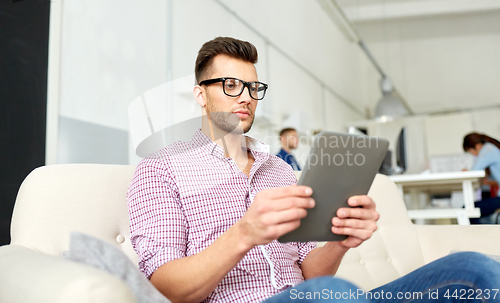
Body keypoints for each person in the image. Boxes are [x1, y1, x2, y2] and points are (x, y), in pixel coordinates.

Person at [128, 37, 500, 303]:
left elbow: (310, 273)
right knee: (335, 294)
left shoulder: (281, 172)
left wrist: (341, 241)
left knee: (474, 269)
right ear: (200, 94)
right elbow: (167, 288)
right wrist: (244, 233)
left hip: (320, 296)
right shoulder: (162, 169)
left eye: (253, 87)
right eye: (230, 85)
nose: (245, 96)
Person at [463, 132, 500, 223]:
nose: (473, 155)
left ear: (478, 146)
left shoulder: (488, 149)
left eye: (470, 151)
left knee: (467, 209)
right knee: (473, 209)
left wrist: (466, 172)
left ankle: (477, 236)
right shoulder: (492, 149)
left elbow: (474, 172)